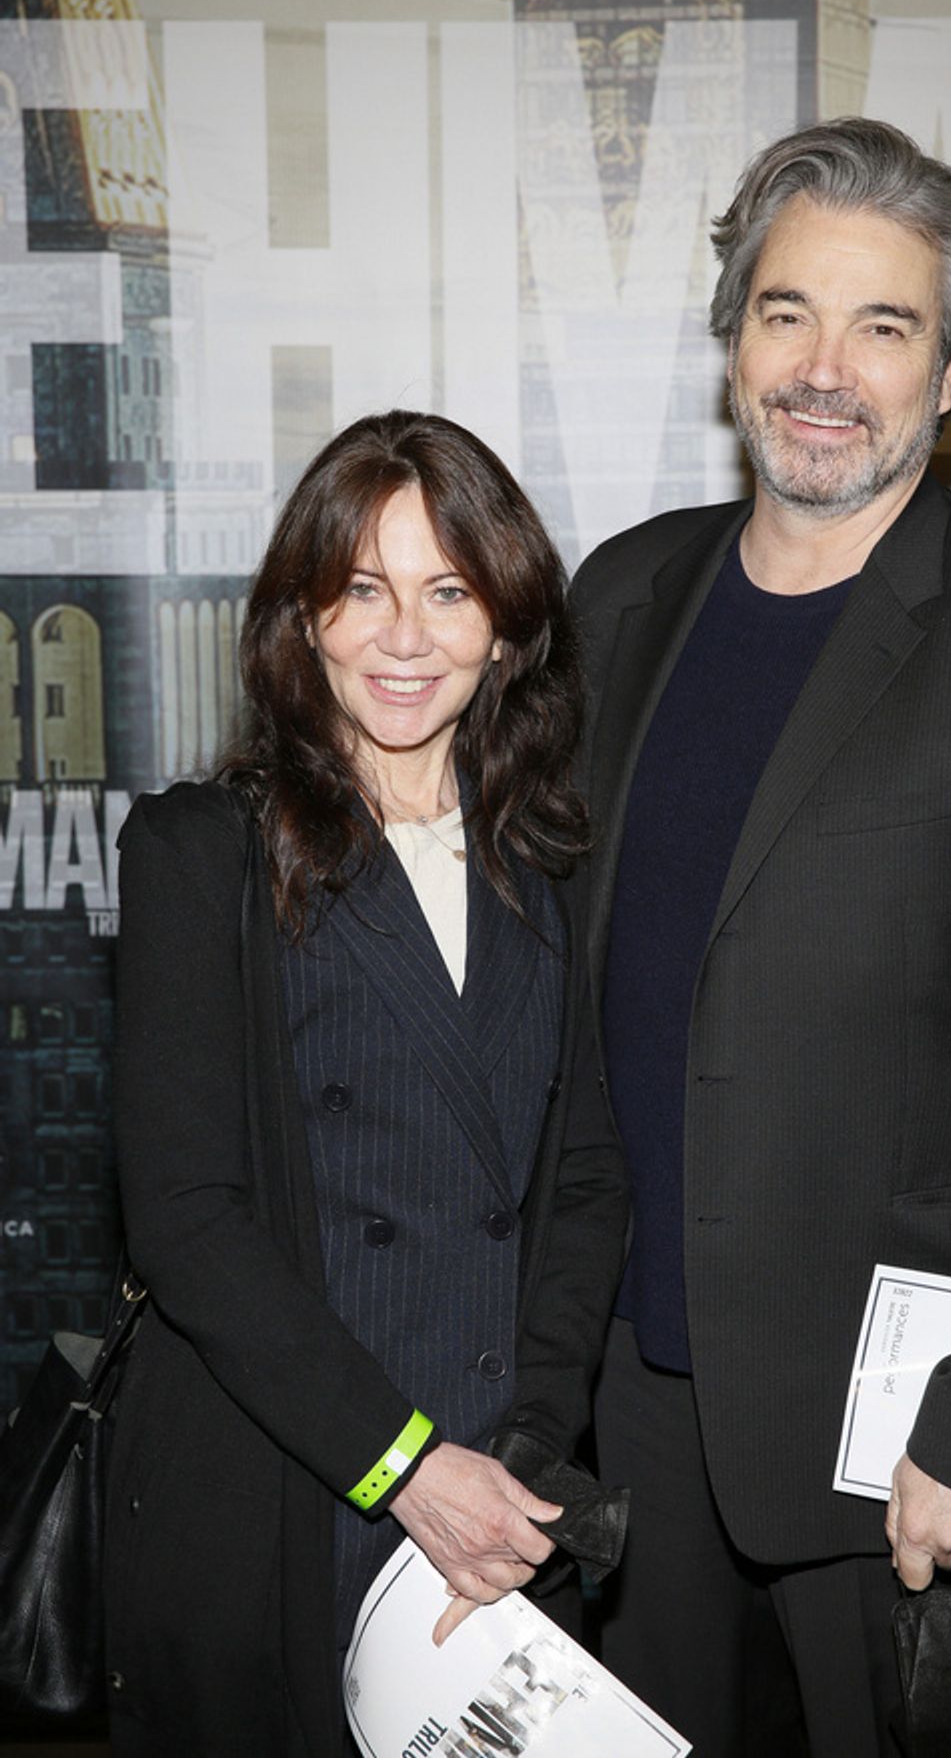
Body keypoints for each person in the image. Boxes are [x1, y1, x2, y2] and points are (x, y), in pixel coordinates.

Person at [563, 119, 951, 1755]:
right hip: (625, 1411)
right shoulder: (621, 598)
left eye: (884, 327)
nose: (824, 369)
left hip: (900, 1439)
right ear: (730, 342)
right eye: (787, 314)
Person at [102, 410, 628, 1754]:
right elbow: (183, 1216)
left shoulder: (554, 862)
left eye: (450, 592)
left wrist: (523, 1464)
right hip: (290, 1482)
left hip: (496, 1514)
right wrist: (405, 1469)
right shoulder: (199, 852)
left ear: (508, 627)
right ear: (304, 618)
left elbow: (582, 1182)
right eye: (363, 590)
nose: (405, 638)